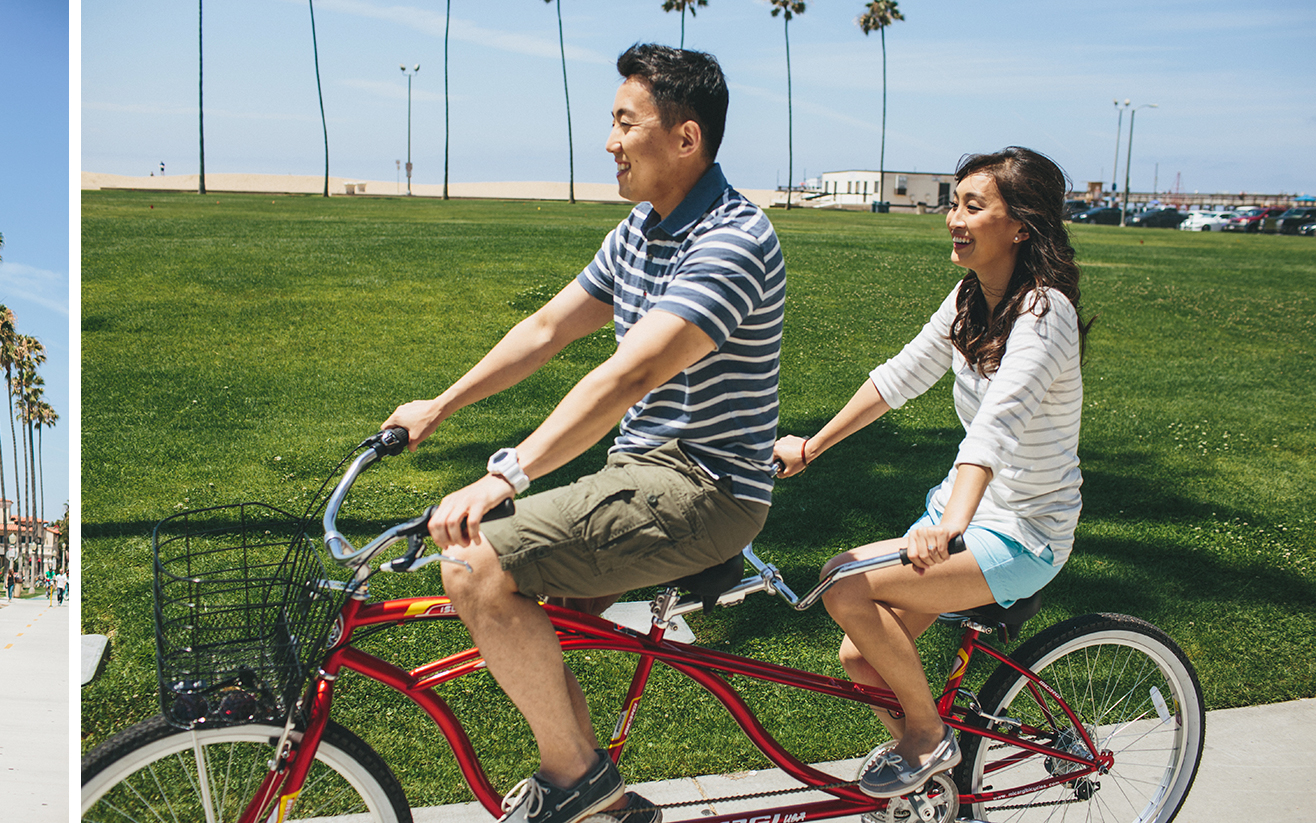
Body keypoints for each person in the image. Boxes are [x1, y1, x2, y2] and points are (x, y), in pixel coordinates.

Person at [384, 43, 783, 823]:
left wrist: (507, 474)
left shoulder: (733, 240)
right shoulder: (640, 230)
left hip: (708, 486)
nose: (609, 141)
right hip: (643, 470)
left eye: (624, 123)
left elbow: (627, 377)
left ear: (685, 138)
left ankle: (578, 778)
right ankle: (597, 794)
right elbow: (546, 328)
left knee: (473, 562)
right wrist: (442, 402)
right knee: (512, 588)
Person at [772, 147, 1088, 802]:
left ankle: (926, 738)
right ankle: (938, 782)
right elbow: (900, 376)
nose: (954, 218)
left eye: (974, 206)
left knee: (844, 585)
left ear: (1021, 225)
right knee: (862, 657)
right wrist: (813, 446)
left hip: (1024, 531)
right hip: (964, 510)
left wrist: (949, 526)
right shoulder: (972, 297)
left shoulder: (1044, 315)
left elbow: (995, 427)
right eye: (954, 203)